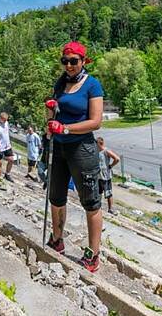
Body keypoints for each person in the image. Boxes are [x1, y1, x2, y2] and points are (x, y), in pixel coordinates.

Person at [44, 41, 104, 272]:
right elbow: (53, 116)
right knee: (56, 197)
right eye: (65, 61)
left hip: (82, 148)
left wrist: (67, 129)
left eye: (73, 61)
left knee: (90, 202)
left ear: (83, 61)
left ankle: (93, 253)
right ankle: (57, 239)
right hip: (59, 148)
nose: (69, 65)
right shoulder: (61, 83)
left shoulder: (92, 85)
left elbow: (95, 122)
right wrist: (50, 111)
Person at [96, 137, 120, 215]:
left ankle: (110, 209)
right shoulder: (96, 151)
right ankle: (97, 207)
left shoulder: (106, 151)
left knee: (108, 193)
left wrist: (110, 166)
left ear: (99, 144)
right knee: (98, 193)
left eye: (96, 144)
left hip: (105, 176)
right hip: (98, 176)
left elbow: (117, 159)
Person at [0, 112, 14, 182]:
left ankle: (7, 174)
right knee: (0, 163)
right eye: (4, 120)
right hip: (0, 147)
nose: (5, 121)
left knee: (11, 160)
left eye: (6, 120)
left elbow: (7, 133)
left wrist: (10, 143)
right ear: (0, 118)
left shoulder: (6, 123)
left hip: (7, 146)